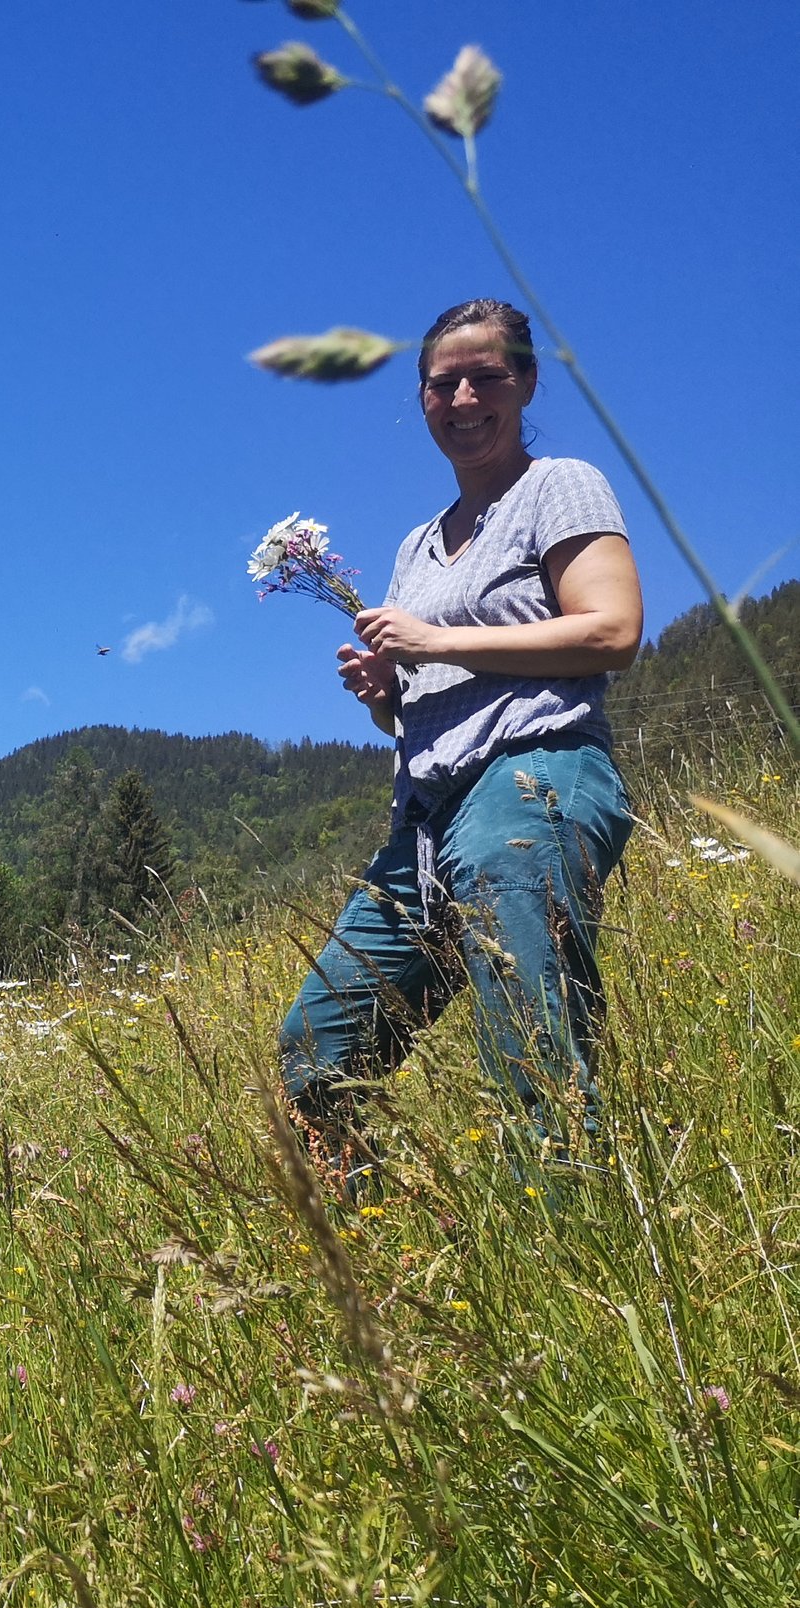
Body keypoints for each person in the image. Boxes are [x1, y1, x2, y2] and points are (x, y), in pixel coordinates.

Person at [278, 297, 642, 1170]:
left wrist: (436, 640)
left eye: (488, 377)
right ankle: (382, 1232)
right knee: (315, 1048)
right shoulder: (416, 546)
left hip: (531, 774)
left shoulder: (559, 486)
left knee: (529, 1039)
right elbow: (418, 707)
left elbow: (612, 630)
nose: (465, 399)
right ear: (423, 399)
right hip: (426, 820)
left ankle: (565, 1235)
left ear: (527, 383)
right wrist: (384, 696)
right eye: (444, 384)